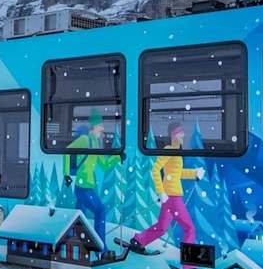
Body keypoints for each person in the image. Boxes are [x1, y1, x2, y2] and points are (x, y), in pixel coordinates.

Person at [129, 120, 204, 253]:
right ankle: (187, 266)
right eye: (180, 133)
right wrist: (160, 192)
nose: (183, 135)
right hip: (173, 197)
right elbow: (156, 169)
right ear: (173, 135)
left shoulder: (176, 152)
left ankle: (138, 241)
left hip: (170, 196)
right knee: (189, 228)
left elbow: (176, 173)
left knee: (162, 227)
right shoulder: (169, 150)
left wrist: (194, 173)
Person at [63, 108, 121, 247]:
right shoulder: (84, 140)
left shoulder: (96, 143)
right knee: (100, 210)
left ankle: (68, 243)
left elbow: (105, 165)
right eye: (101, 125)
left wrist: (118, 157)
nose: (102, 128)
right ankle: (100, 246)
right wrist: (66, 174)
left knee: (78, 217)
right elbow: (66, 151)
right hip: (83, 187)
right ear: (94, 126)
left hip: (87, 185)